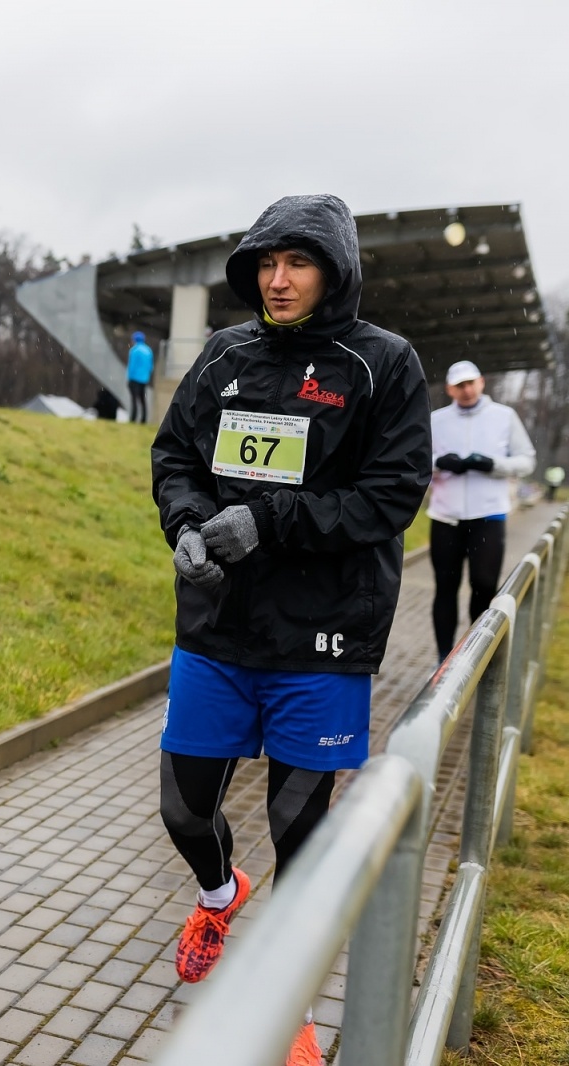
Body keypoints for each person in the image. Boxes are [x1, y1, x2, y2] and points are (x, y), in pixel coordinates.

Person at [151, 194, 431, 1066]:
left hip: (323, 642)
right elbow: (175, 457)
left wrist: (270, 521)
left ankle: (292, 1010)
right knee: (182, 810)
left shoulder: (384, 363)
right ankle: (218, 894)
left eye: (298, 263)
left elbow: (390, 496)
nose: (277, 281)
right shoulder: (224, 353)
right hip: (216, 630)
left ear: (335, 271)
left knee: (299, 837)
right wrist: (186, 524)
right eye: (266, 264)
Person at [428, 359, 535, 659]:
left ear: (481, 382)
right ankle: (443, 658)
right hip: (445, 516)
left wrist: (492, 464)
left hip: (488, 516)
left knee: (485, 585)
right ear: (449, 389)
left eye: (470, 383)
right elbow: (415, 460)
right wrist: (439, 463)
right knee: (445, 587)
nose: (466, 390)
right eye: (459, 386)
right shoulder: (436, 420)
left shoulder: (504, 416)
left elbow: (527, 461)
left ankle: (476, 656)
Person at [127, 330, 154, 423]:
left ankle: (133, 417)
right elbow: (151, 367)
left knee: (134, 399)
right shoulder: (148, 350)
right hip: (144, 379)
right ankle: (144, 418)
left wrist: (129, 378)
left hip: (134, 378)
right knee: (142, 399)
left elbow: (132, 366)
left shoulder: (134, 350)